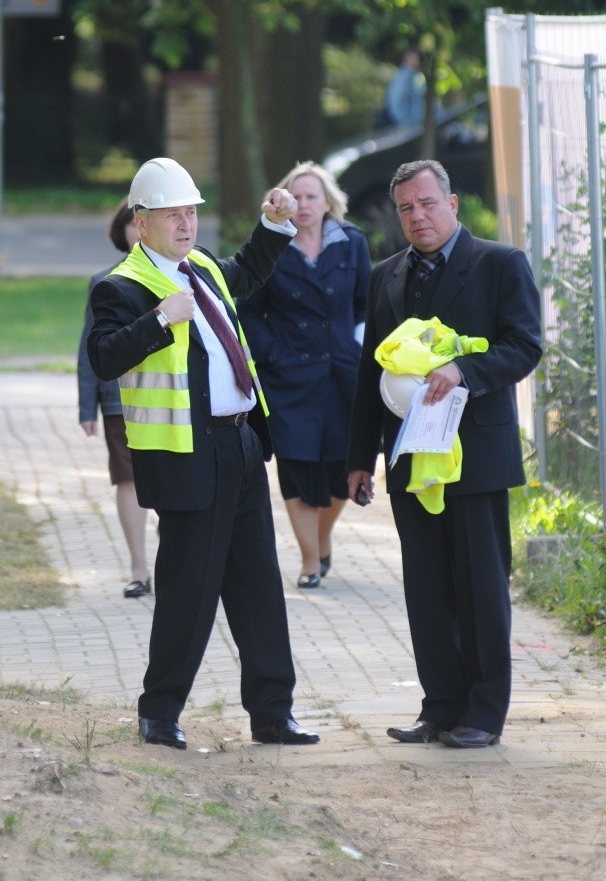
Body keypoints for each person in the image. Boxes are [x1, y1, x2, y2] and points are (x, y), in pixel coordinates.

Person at [87, 157, 320, 751]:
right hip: (187, 457)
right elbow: (105, 358)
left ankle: (273, 712)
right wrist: (161, 319)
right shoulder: (123, 286)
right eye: (172, 215)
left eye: (191, 212)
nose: (186, 224)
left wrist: (273, 226)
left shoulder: (204, 267)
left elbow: (244, 274)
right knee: (188, 590)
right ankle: (160, 712)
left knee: (259, 586)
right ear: (142, 224)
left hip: (240, 440)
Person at [347, 159, 542, 749]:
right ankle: (440, 709)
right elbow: (368, 375)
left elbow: (525, 346)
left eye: (428, 203)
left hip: (476, 456)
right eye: (407, 208)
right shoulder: (385, 276)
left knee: (480, 588)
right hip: (411, 459)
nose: (418, 216)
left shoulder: (499, 264)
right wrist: (360, 457)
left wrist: (464, 371)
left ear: (452, 204)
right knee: (427, 589)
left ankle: (483, 714)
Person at [239, 161, 371, 588]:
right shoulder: (271, 247)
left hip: (342, 375)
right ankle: (310, 562)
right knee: (296, 468)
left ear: (329, 202)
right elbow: (249, 312)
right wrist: (273, 354)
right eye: (298, 197)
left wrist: (360, 349)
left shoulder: (351, 243)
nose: (306, 204)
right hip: (288, 377)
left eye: (314, 196)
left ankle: (323, 537)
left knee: (341, 471)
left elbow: (367, 304)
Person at [77, 201, 152, 599]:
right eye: (133, 223)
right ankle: (139, 567)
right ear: (122, 230)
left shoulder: (180, 275)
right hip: (118, 400)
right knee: (128, 478)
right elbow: (90, 346)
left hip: (167, 401)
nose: (139, 231)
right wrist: (86, 404)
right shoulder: (104, 282)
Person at [374, 50, 424, 128]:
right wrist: (405, 122)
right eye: (415, 58)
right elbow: (398, 101)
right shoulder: (406, 75)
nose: (418, 61)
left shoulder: (405, 75)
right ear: (407, 59)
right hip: (408, 125)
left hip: (409, 124)